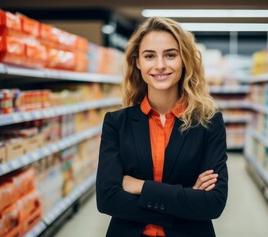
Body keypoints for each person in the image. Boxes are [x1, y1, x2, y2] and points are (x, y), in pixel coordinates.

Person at [96, 17, 228, 237]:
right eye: (149, 56)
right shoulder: (117, 123)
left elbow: (213, 203)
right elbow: (107, 199)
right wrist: (186, 200)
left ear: (184, 59)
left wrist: (140, 187)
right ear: (138, 62)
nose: (160, 65)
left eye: (170, 55)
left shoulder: (208, 122)